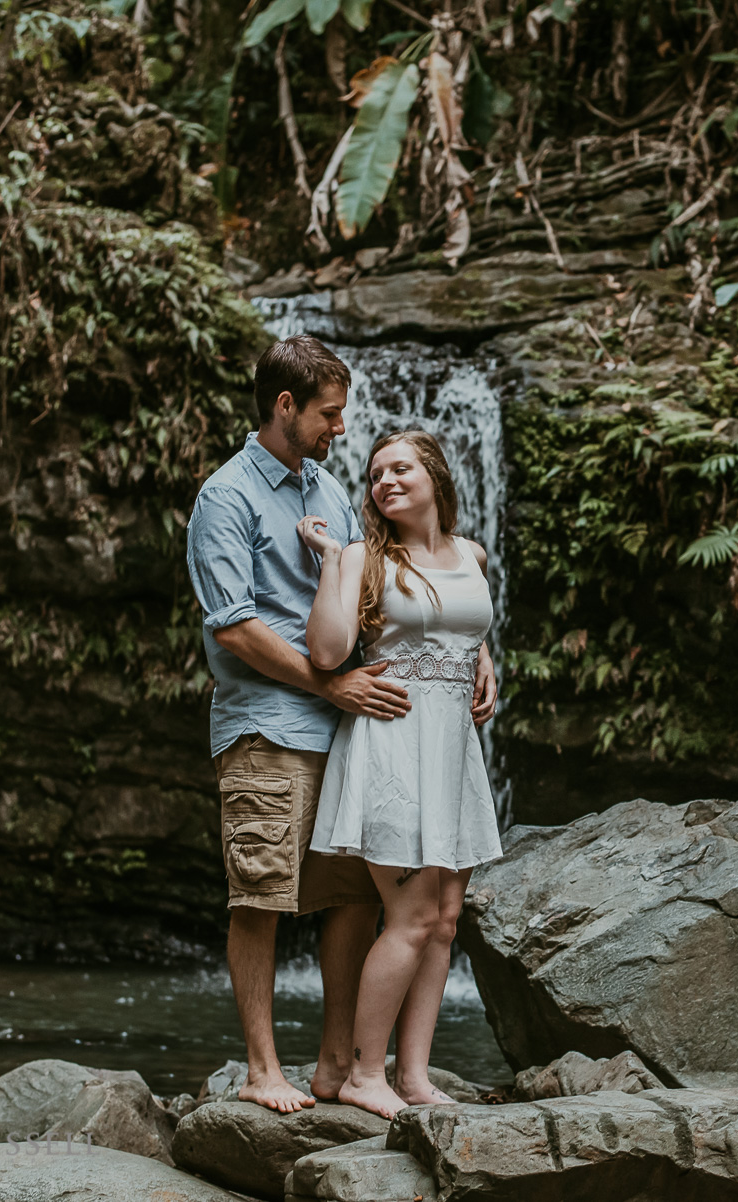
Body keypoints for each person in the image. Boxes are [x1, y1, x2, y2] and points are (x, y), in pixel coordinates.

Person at [185, 335, 414, 1114]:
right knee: (259, 894)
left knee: (355, 894)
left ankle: (332, 1066)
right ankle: (261, 1071)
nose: (339, 428)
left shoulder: (328, 488)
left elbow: (365, 596)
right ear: (285, 406)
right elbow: (235, 628)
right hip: (266, 728)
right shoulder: (226, 497)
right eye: (328, 414)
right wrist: (333, 683)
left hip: (339, 727)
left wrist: (464, 651)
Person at [295, 429, 502, 1119]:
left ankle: (414, 1077)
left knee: (444, 920)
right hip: (391, 745)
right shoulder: (364, 555)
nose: (385, 481)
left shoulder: (470, 552)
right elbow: (326, 652)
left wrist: (481, 656)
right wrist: (331, 561)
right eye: (377, 473)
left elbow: (464, 624)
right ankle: (364, 1074)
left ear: (435, 473)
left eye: (401, 468)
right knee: (410, 917)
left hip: (452, 755)